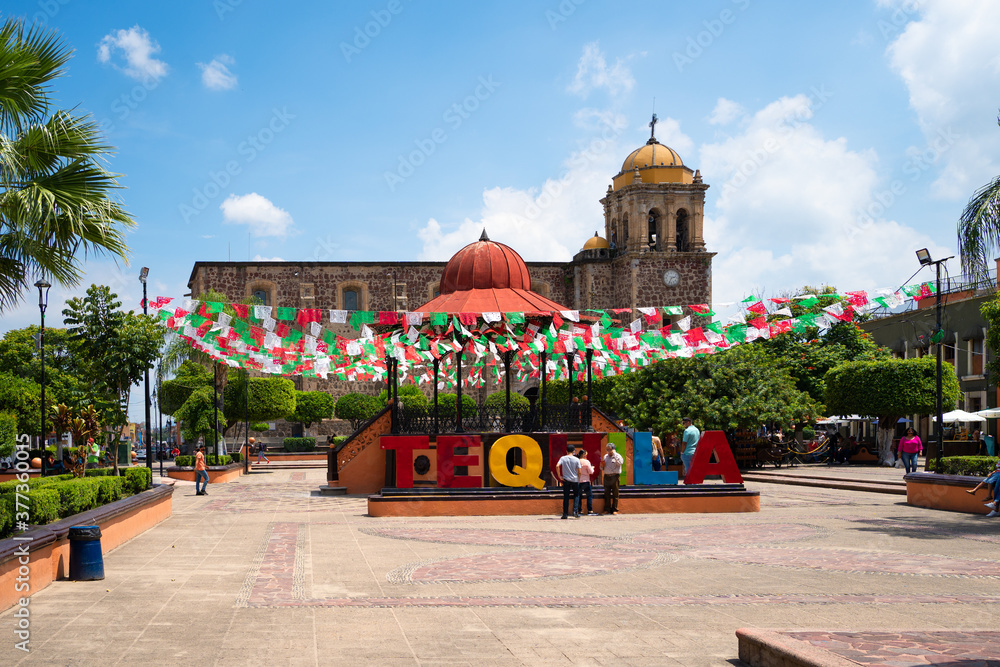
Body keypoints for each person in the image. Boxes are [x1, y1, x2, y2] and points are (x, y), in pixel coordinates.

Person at [556, 444, 581, 519]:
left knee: (566, 496)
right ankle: (575, 511)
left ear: (566, 451)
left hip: (566, 479)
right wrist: (578, 479)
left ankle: (565, 514)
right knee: (576, 495)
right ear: (573, 451)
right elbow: (579, 471)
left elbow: (557, 466)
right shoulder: (576, 459)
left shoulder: (563, 458)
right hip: (574, 479)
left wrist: (559, 476)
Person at [601, 442, 623, 515]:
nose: (608, 451)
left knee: (615, 494)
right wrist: (601, 465)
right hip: (607, 476)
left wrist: (614, 455)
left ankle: (615, 509)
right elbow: (602, 467)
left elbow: (620, 463)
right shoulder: (605, 456)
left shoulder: (618, 456)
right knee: (606, 493)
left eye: (609, 450)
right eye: (607, 450)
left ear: (613, 449)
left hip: (615, 476)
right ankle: (607, 509)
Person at [575, 450, 596, 515]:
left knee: (579, 496)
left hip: (578, 481)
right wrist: (592, 468)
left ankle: (579, 510)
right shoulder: (586, 462)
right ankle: (590, 510)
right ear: (583, 455)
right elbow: (591, 472)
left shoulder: (576, 461)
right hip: (586, 481)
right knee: (589, 495)